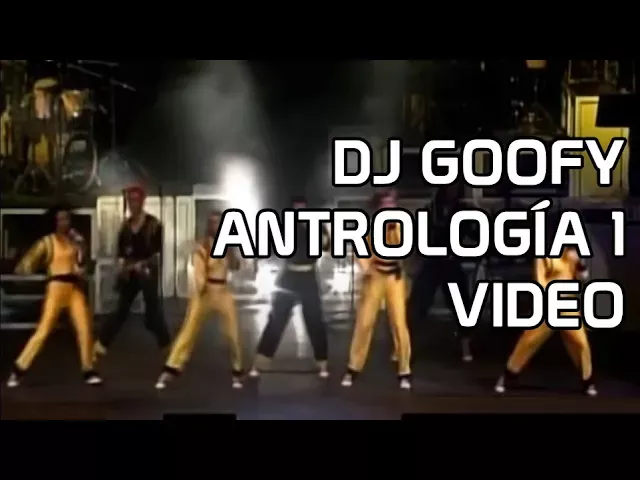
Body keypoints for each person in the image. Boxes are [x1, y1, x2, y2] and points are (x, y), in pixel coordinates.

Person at [5, 205, 102, 388]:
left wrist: (82, 247)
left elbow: (82, 264)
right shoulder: (47, 242)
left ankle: (88, 368)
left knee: (84, 327)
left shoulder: (74, 241)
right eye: (60, 219)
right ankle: (19, 369)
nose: (64, 222)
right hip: (56, 286)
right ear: (54, 222)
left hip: (74, 287)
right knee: (44, 329)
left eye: (67, 218)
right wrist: (22, 268)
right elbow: (28, 263)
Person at [155, 210, 245, 390]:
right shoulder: (202, 245)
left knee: (233, 334)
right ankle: (171, 368)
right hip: (204, 292)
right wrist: (200, 286)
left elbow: (235, 267)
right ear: (209, 225)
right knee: (189, 330)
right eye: (213, 222)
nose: (217, 226)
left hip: (222, 291)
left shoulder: (228, 245)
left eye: (219, 222)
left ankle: (237, 371)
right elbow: (198, 270)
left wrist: (233, 255)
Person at [494, 246, 598, 397]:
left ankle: (587, 381)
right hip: (548, 305)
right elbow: (540, 281)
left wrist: (580, 264)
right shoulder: (545, 256)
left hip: (568, 305)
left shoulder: (572, 254)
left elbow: (584, 277)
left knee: (580, 342)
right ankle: (508, 375)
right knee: (529, 340)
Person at [250, 195, 330, 378]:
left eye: (302, 208)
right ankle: (260, 362)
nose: (299, 211)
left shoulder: (316, 225)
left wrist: (325, 236)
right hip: (289, 277)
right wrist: (257, 260)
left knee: (315, 321)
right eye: (296, 208)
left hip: (308, 276)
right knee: (276, 320)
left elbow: (327, 246)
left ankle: (322, 362)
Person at [341, 189, 412, 390]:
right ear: (379, 206)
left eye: (392, 203)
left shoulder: (401, 223)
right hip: (375, 277)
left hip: (394, 278)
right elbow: (360, 249)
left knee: (399, 323)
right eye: (385, 204)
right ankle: (353, 367)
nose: (389, 207)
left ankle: (404, 370)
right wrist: (367, 268)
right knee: (364, 322)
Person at [93, 184, 170, 359]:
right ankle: (101, 345)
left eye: (135, 200)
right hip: (130, 271)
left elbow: (156, 255)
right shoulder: (125, 227)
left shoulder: (154, 224)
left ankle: (166, 345)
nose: (132, 204)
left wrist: (141, 265)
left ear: (142, 202)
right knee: (120, 309)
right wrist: (123, 268)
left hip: (147, 270)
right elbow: (121, 254)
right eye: (130, 201)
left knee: (153, 312)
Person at [407, 182, 474, 362]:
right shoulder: (431, 209)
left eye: (455, 189)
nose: (452, 192)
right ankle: (405, 346)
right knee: (418, 304)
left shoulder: (463, 211)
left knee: (462, 306)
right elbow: (420, 235)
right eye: (449, 188)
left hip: (451, 262)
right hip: (433, 261)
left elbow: (473, 235)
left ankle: (465, 346)